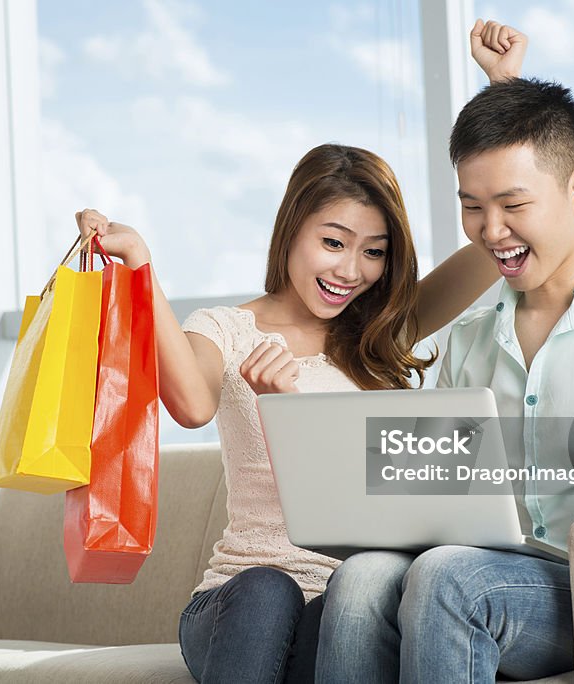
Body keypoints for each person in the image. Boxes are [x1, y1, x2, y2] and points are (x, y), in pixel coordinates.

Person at [71, 22, 524, 683]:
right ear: (292, 231)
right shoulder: (228, 329)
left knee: (356, 604)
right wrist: (141, 268)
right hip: (236, 608)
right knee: (268, 589)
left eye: (374, 252)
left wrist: (504, 91)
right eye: (333, 242)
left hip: (344, 608)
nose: (351, 270)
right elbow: (192, 405)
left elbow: (494, 245)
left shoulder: (381, 334)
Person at [315, 55, 574, 684]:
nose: (491, 230)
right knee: (364, 575)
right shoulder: (472, 339)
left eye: (512, 203)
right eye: (472, 206)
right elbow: (437, 497)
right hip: (485, 569)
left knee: (450, 577)